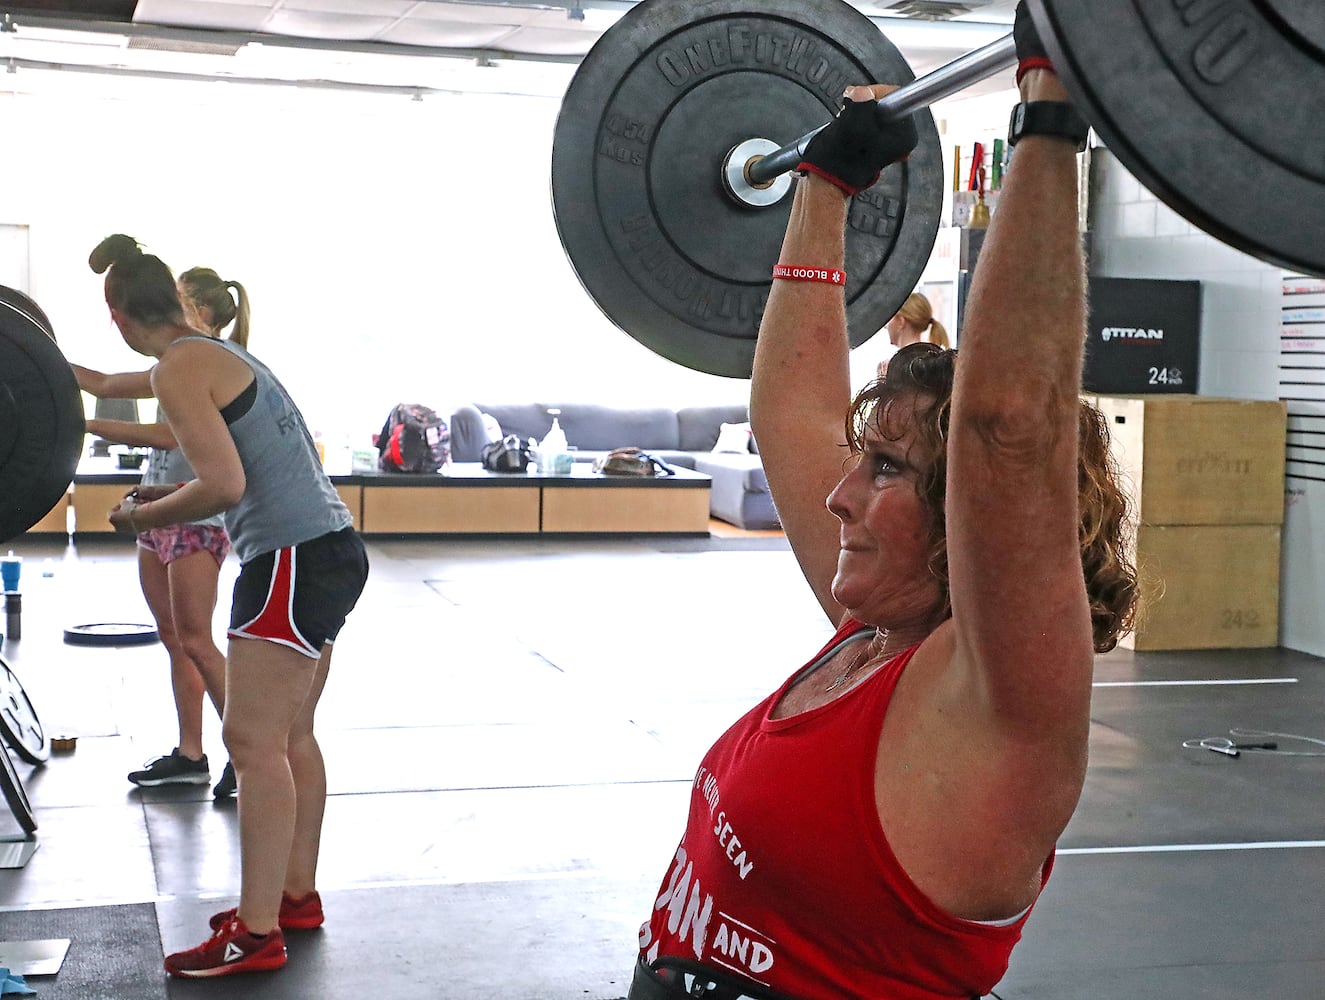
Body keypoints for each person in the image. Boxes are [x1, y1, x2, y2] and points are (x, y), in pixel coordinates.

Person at [632, 6, 1136, 999]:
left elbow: (1008, 423)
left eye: (889, 470)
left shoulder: (996, 696)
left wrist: (1050, 107)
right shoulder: (869, 634)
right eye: (862, 458)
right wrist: (824, 185)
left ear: (972, 518)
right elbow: (789, 407)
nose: (838, 491)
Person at [88, 234, 368, 979]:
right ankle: (293, 898)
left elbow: (223, 487)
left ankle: (255, 932)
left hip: (289, 557)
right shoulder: (215, 353)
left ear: (117, 314)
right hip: (329, 547)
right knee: (290, 734)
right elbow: (207, 458)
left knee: (250, 743)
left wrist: (141, 517)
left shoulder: (180, 367)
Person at [71, 268, 251, 799]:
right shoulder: (171, 363)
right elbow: (102, 384)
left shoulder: (214, 367)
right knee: (177, 642)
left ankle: (247, 758)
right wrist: (40, 358)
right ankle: (191, 755)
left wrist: (84, 424)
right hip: (156, 506)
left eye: (182, 303)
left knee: (197, 639)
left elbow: (168, 434)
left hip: (196, 515)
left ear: (205, 316)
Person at [877, 291, 950, 377]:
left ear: (901, 322)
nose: (886, 326)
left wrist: (885, 382)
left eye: (891, 318)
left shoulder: (905, 366)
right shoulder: (929, 358)